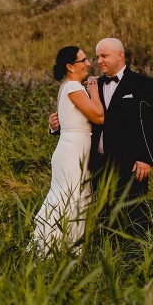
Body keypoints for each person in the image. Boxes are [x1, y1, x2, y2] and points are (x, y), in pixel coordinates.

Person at [51, 38, 153, 236]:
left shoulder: (142, 84)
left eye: (104, 56)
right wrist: (56, 126)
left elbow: (151, 123)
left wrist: (145, 157)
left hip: (130, 162)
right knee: (105, 219)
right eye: (97, 56)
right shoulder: (92, 85)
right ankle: (108, 257)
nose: (98, 61)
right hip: (99, 162)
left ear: (119, 55)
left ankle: (140, 256)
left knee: (135, 215)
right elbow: (78, 119)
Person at [32, 46, 104, 257]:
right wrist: (94, 93)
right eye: (83, 60)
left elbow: (64, 120)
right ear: (70, 66)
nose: (89, 63)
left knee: (73, 200)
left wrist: (54, 125)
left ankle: (65, 249)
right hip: (72, 153)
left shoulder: (68, 86)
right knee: (69, 200)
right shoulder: (74, 87)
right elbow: (98, 117)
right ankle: (54, 251)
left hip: (72, 151)